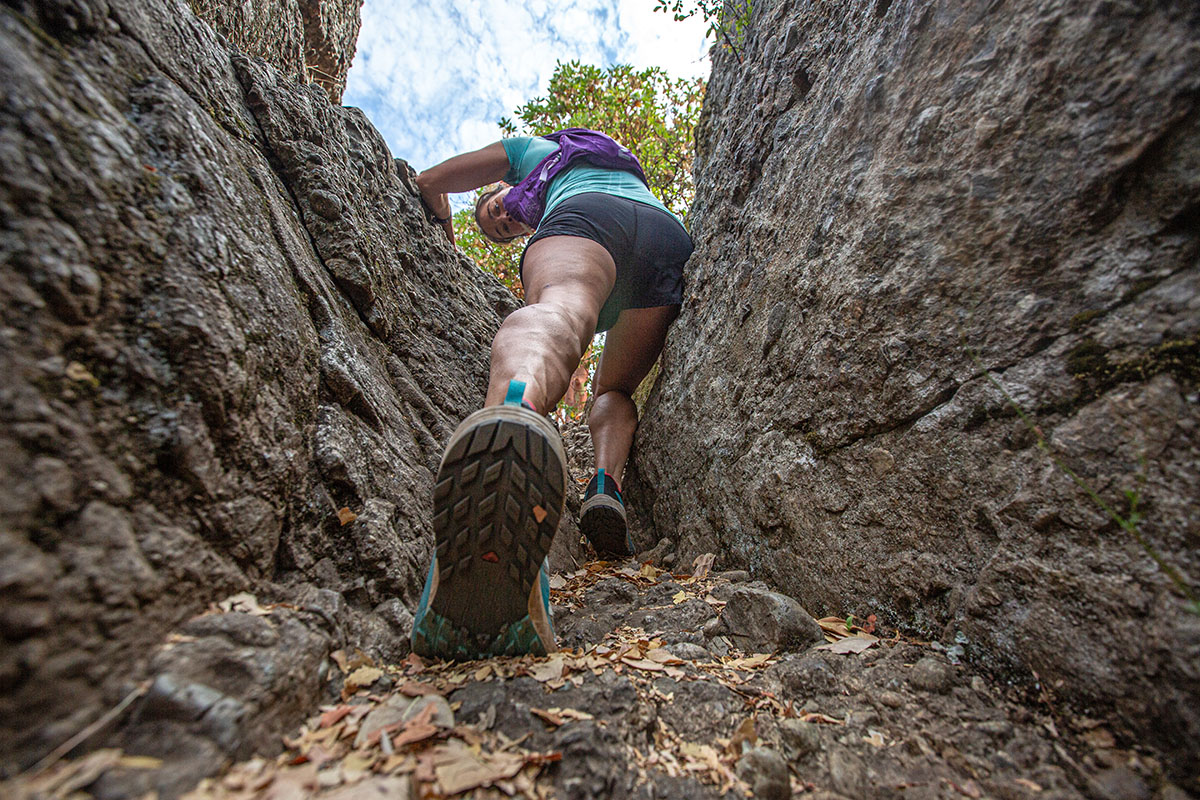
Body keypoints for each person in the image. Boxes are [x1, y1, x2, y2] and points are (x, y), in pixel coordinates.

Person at [410, 129, 693, 660]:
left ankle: (512, 414)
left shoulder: (529, 155)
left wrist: (443, 218)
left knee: (563, 307)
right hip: (664, 238)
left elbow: (432, 181)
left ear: (506, 187)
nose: (500, 219)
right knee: (614, 389)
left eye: (496, 210)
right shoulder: (601, 155)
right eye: (499, 229)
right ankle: (605, 485)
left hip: (585, 219)